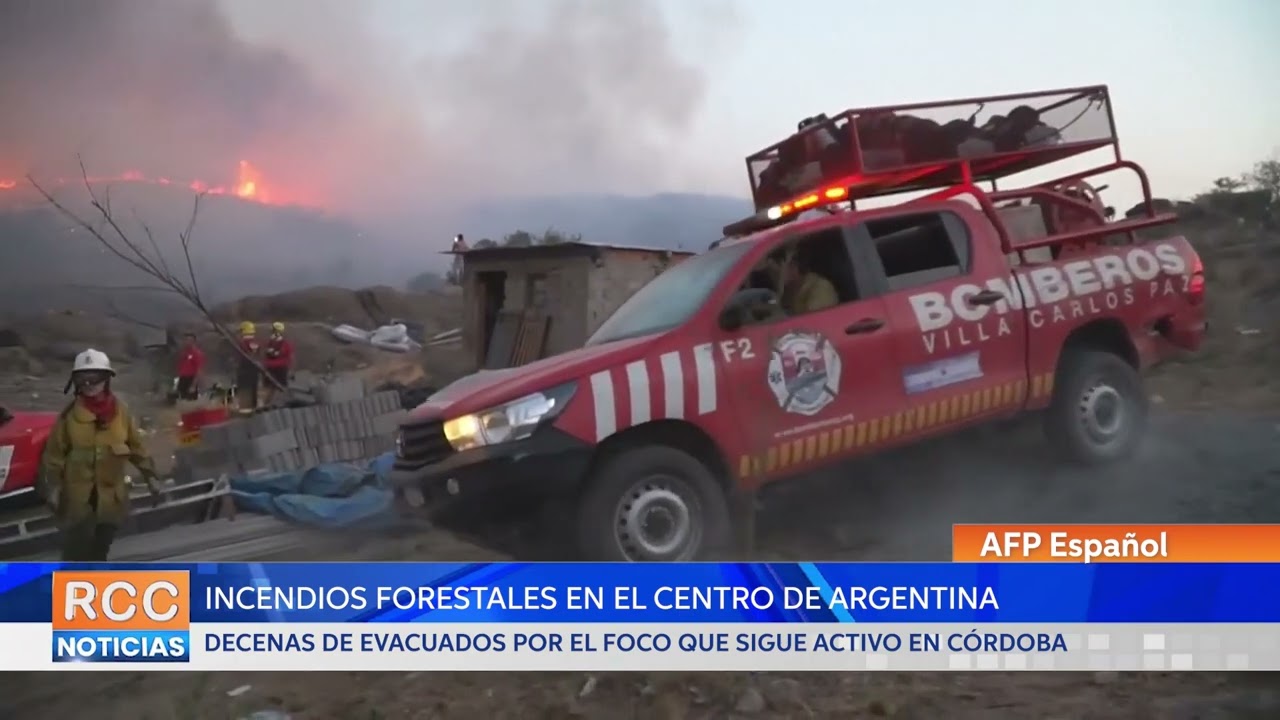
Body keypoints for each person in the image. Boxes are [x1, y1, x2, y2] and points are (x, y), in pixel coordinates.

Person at [39, 349, 161, 561]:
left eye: (94, 378)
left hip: (110, 498)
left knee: (100, 549)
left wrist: (151, 477)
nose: (89, 384)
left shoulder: (121, 413)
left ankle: (95, 589)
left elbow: (137, 447)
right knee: (77, 550)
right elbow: (54, 456)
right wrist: (52, 489)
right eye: (82, 379)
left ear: (106, 379)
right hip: (78, 499)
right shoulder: (68, 418)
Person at [261, 321, 294, 406]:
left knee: (274, 388)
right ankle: (268, 404)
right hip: (274, 368)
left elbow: (289, 357)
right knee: (273, 388)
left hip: (277, 368)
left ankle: (272, 404)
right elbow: (289, 357)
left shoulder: (283, 344)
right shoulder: (272, 343)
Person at [235, 321, 261, 414]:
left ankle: (245, 408)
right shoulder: (256, 342)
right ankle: (253, 406)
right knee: (254, 388)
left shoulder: (242, 343)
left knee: (244, 389)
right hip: (255, 369)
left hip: (244, 369)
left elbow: (240, 356)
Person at [174, 332, 205, 401]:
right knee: (180, 400)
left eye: (189, 340)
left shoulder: (197, 354)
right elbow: (180, 368)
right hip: (182, 379)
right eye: (185, 340)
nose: (187, 342)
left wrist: (193, 385)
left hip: (191, 379)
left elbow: (199, 370)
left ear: (193, 341)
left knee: (190, 402)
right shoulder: (184, 353)